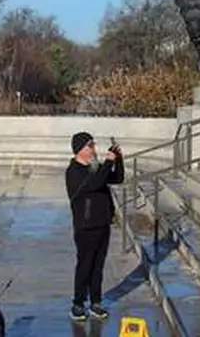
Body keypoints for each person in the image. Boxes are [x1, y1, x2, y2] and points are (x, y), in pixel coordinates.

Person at [64, 131, 123, 322]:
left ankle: (96, 302)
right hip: (86, 227)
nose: (93, 149)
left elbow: (117, 178)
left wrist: (118, 159)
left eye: (93, 145)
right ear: (79, 149)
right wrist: (108, 162)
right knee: (85, 266)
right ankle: (78, 304)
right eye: (90, 146)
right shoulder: (74, 171)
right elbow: (95, 184)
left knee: (98, 266)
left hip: (102, 223)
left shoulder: (94, 167)